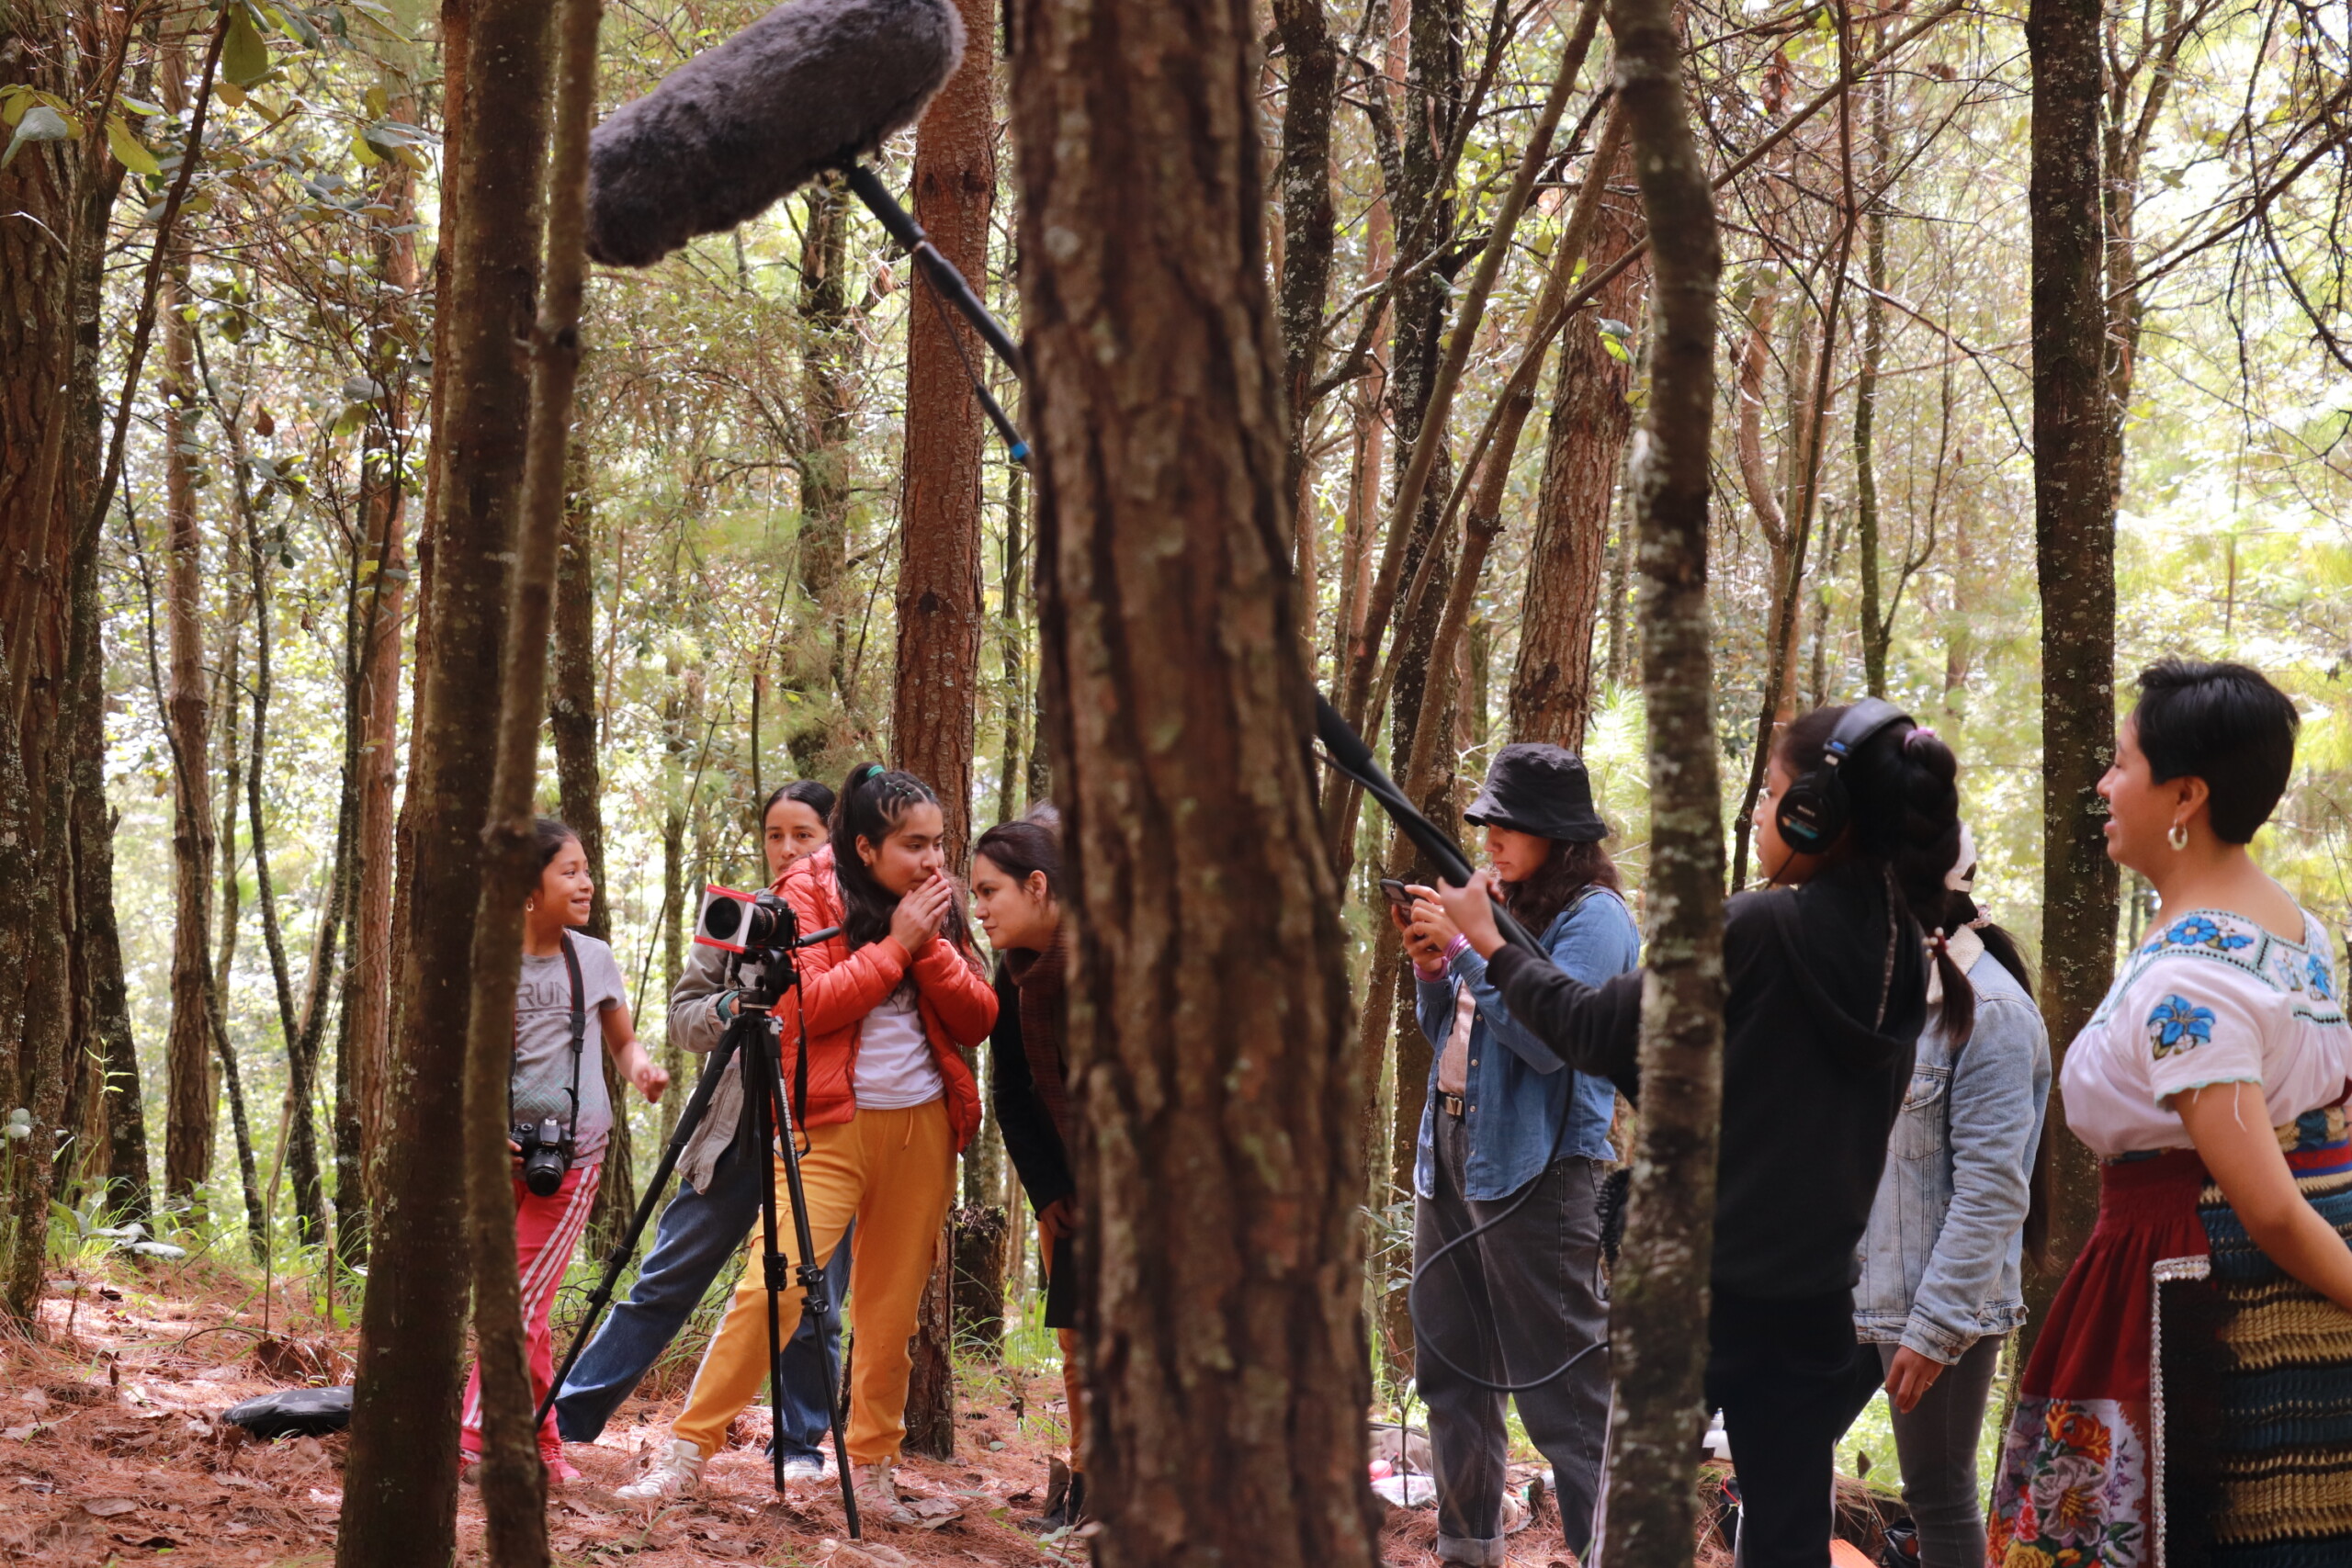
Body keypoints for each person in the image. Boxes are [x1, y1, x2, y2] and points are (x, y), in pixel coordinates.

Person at [1434, 700, 1967, 1568]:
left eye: (1771, 791)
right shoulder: (1903, 954)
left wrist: (1490, 939)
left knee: (1632, 1533)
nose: (1760, 809)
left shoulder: (1756, 928)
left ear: (1815, 814)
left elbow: (1596, 1030)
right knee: (1789, 1534)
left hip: (1698, 1292)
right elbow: (1721, 1093)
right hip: (1812, 1301)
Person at [1987, 660, 2352, 1566]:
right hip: (2263, 1273)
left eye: (2121, 763)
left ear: (2184, 795)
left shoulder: (2192, 977)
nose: (2104, 784)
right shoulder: (2287, 930)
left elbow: (2265, 1202)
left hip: (2204, 1295)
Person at [616, 765, 997, 1525]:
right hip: (830, 1121)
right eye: (914, 845)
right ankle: (687, 1453)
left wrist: (925, 946)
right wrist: (895, 946)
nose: (932, 861)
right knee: (775, 1284)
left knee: (892, 1312)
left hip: (923, 1125)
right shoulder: (806, 890)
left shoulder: (934, 902)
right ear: (864, 845)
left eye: (938, 844)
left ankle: (875, 1467)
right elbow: (800, 1010)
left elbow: (979, 1014)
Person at [554, 781, 848, 1480]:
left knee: (814, 1299)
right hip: (730, 1131)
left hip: (815, 1134)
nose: (786, 848)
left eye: (802, 834)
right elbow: (684, 1018)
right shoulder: (738, 916)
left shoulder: (848, 918)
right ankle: (568, 1417)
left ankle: (800, 1444)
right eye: (774, 833)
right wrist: (736, 1001)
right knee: (662, 1279)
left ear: (833, 838)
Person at [1394, 743, 1638, 1566]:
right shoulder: (1498, 904)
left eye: (1509, 824)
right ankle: (1468, 1547)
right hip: (1454, 1146)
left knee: (1568, 1396)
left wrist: (1466, 946)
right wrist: (1435, 969)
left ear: (1557, 834)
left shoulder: (1594, 919)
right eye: (1486, 822)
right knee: (1453, 1369)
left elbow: (1547, 1043)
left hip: (1543, 1169)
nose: (1490, 837)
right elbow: (1455, 1037)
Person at [1843, 827, 2049, 1568]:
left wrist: (1933, 1328)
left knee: (1937, 1489)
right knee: (1784, 1450)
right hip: (1847, 1279)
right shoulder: (1875, 991)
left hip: (1938, 1297)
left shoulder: (1991, 1013)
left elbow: (1994, 1191)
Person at [462, 817, 670, 1484]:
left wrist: (642, 1071)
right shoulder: (486, 960)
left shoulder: (595, 957)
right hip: (501, 1158)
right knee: (532, 1312)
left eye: (586, 868)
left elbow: (621, 1039)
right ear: (528, 887)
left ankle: (475, 1437)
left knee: (517, 1300)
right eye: (570, 871)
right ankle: (546, 1448)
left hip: (573, 1157)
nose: (586, 881)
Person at [971, 809, 1087, 1528]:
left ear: (1038, 885)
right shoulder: (1012, 975)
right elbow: (1009, 1093)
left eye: (989, 892)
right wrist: (1048, 1191)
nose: (978, 908)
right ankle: (1090, 1486)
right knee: (1081, 1341)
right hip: (1070, 1186)